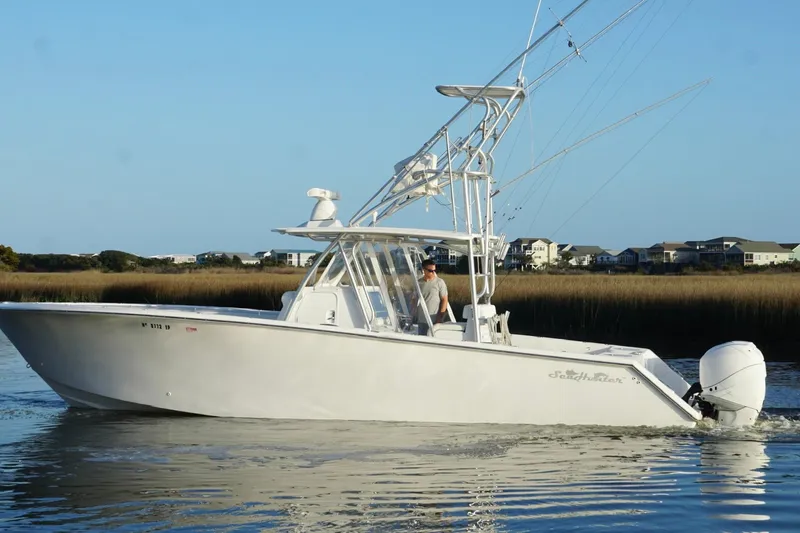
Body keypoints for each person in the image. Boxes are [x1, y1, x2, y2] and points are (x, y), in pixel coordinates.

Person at [415, 259, 448, 335]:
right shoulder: (419, 283)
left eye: (434, 270)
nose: (433, 272)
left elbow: (444, 300)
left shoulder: (439, 282)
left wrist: (439, 318)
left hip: (434, 320)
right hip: (421, 320)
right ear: (424, 270)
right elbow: (415, 299)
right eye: (430, 270)